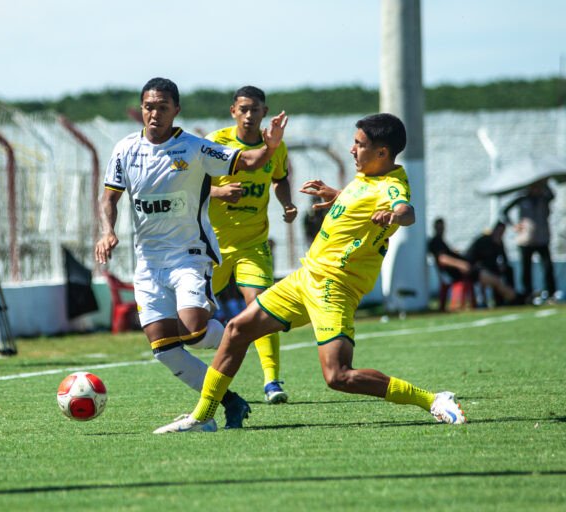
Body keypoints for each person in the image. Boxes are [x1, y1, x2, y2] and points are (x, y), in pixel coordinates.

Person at [154, 113, 467, 434]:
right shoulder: (367, 177)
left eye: (359, 145)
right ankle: (202, 417)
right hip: (306, 278)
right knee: (236, 330)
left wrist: (394, 215)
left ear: (382, 153)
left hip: (334, 288)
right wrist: (337, 196)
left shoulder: (391, 185)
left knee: (338, 376)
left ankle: (432, 400)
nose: (351, 150)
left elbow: (406, 210)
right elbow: (362, 197)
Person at [95, 77, 288, 429]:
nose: (154, 113)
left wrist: (270, 148)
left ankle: (239, 333)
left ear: (176, 110)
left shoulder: (196, 148)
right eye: (149, 106)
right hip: (148, 262)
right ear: (142, 108)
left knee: (195, 330)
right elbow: (110, 197)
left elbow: (247, 161)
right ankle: (229, 403)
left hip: (189, 254)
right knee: (164, 349)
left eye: (162, 107)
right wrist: (107, 231)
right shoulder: (124, 149)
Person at [206, 85, 297, 404]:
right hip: (211, 245)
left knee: (260, 306)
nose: (248, 115)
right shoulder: (216, 143)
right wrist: (218, 193)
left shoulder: (276, 147)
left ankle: (272, 380)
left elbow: (280, 178)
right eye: (242, 109)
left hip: (252, 244)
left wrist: (286, 203)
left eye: (254, 109)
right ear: (233, 111)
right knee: (194, 317)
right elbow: (192, 183)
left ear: (264, 112)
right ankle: (208, 366)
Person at [428, 217, 518, 307]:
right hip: (459, 271)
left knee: (493, 276)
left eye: (442, 227)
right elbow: (442, 258)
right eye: (439, 227)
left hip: (465, 268)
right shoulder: (436, 241)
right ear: (435, 227)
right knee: (494, 280)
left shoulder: (441, 242)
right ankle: (514, 298)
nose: (442, 229)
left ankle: (509, 297)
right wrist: (461, 264)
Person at [501, 180, 557, 302]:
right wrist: (514, 225)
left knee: (547, 267)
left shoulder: (544, 198)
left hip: (542, 238)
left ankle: (551, 293)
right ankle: (528, 293)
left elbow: (552, 195)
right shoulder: (522, 198)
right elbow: (504, 212)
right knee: (526, 268)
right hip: (526, 239)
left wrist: (545, 182)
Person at [465, 221, 515, 305]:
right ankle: (511, 296)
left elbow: (504, 259)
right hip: (477, 269)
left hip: (491, 268)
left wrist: (502, 266)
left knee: (508, 270)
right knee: (495, 279)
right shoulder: (484, 241)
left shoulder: (499, 243)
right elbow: (474, 258)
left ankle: (503, 300)